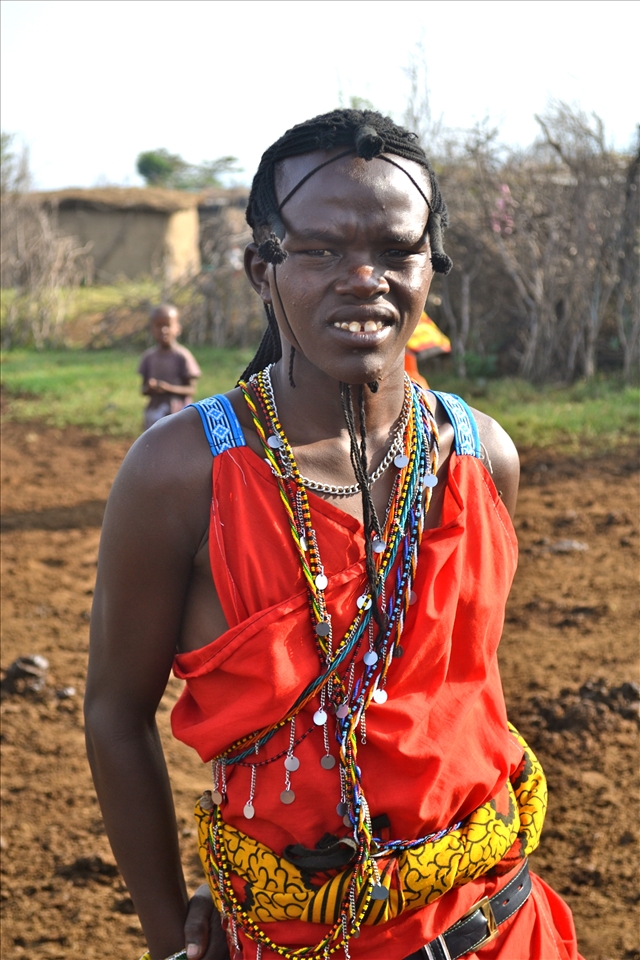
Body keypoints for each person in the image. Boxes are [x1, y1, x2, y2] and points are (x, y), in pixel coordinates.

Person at [85, 110, 583, 960]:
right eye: (319, 250)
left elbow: (453, 699)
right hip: (289, 936)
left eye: (396, 250)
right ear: (262, 268)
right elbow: (113, 713)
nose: (363, 279)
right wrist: (173, 940)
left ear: (431, 267)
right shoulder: (180, 475)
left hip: (499, 924)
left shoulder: (482, 458)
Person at [139, 304, 201, 431]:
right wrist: (150, 388)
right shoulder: (148, 357)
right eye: (158, 325)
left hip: (178, 415)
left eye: (167, 325)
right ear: (151, 329)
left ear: (178, 328)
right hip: (154, 415)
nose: (163, 330)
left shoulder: (182, 356)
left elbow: (191, 389)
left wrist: (168, 388)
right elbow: (143, 390)